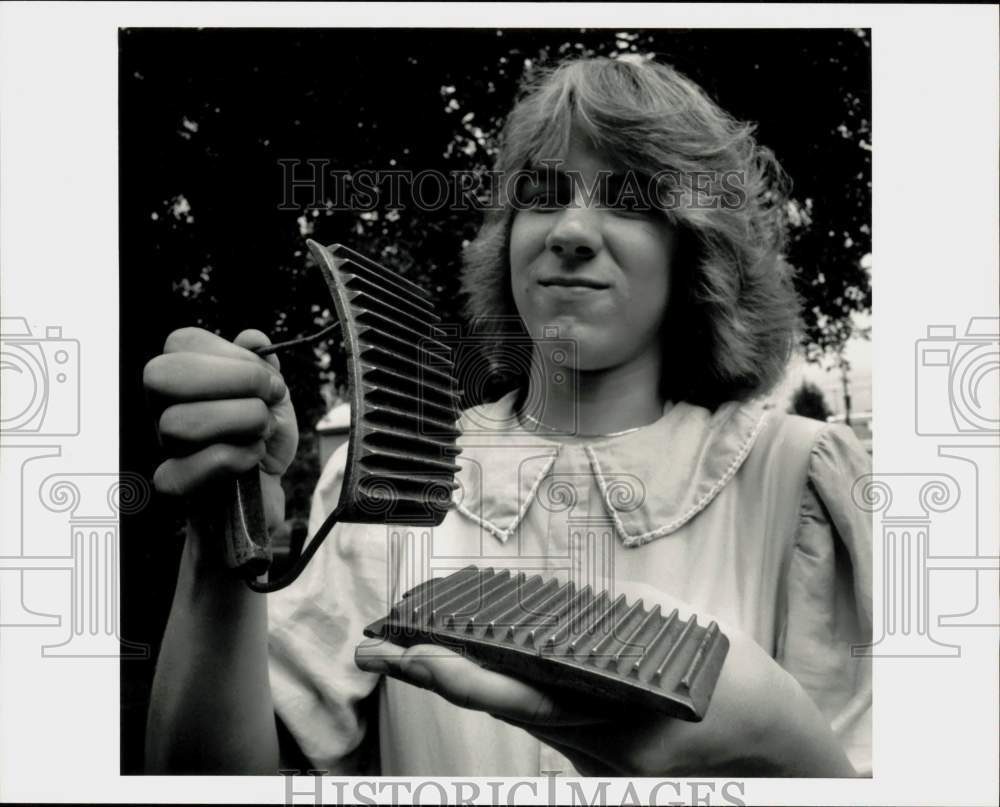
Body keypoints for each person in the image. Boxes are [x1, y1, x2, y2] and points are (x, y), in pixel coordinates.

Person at [143, 56, 871, 777]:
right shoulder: (395, 479)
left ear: (694, 248)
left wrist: (782, 733)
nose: (571, 231)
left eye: (628, 200)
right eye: (543, 194)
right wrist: (219, 539)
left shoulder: (795, 480)